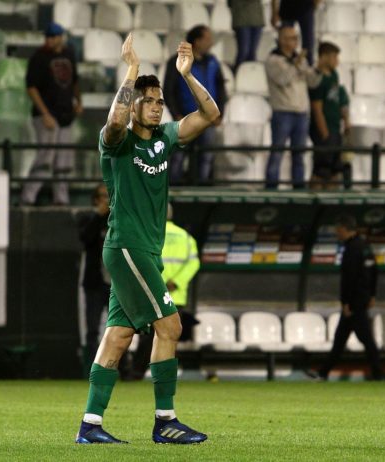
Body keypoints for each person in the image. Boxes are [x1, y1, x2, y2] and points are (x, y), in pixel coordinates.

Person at [76, 33, 220, 444]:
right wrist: (132, 70)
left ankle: (90, 425)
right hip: (127, 246)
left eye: (160, 101)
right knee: (170, 327)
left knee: (119, 335)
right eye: (149, 101)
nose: (157, 107)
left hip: (145, 252)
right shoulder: (116, 144)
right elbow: (114, 122)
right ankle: (165, 421)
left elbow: (210, 114)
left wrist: (186, 75)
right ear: (134, 104)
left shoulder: (165, 138)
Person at [127, 204, 201, 380]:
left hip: (151, 292)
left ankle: (136, 373)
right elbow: (194, 263)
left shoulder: (147, 234)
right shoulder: (186, 237)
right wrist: (176, 282)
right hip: (175, 296)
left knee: (148, 336)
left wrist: (157, 283)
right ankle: (164, 375)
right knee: (169, 336)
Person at [21, 22, 83, 206]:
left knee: (63, 161)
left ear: (60, 37)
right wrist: (45, 114)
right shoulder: (39, 57)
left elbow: (74, 81)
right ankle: (28, 197)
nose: (50, 40)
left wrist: (78, 101)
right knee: (45, 158)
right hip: (46, 115)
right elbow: (31, 88)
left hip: (65, 114)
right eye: (48, 36)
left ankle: (61, 199)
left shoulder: (68, 53)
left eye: (53, 36)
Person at [314, 215, 382, 381]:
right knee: (340, 340)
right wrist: (372, 294)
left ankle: (378, 374)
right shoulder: (365, 246)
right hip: (362, 298)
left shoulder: (352, 248)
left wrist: (346, 302)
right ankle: (323, 373)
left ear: (344, 229)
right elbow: (374, 271)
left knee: (365, 339)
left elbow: (349, 278)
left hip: (354, 302)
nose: (337, 234)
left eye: (338, 231)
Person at [163, 25, 226, 184]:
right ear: (197, 41)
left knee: (205, 156)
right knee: (178, 156)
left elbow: (221, 89)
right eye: (207, 39)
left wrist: (219, 113)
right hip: (185, 119)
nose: (211, 43)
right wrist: (176, 114)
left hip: (208, 119)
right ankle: (172, 189)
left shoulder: (213, 62)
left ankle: (201, 188)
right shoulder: (177, 62)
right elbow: (169, 90)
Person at [265, 25, 321, 189]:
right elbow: (283, 79)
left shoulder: (300, 60)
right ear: (282, 40)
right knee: (277, 153)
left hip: (301, 113)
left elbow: (313, 83)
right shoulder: (273, 60)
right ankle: (271, 189)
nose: (295, 42)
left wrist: (317, 70)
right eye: (291, 38)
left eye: (296, 38)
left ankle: (298, 188)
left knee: (299, 155)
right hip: (283, 112)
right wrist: (296, 64)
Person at [309, 42, 350, 190]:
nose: (337, 61)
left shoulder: (334, 75)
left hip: (335, 128)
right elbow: (317, 108)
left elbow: (338, 100)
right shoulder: (317, 79)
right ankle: (315, 198)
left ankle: (332, 199)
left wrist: (345, 120)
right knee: (321, 169)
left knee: (335, 168)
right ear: (324, 57)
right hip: (324, 131)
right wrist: (324, 132)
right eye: (334, 57)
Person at [78, 184, 111, 367]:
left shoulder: (118, 220)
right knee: (92, 328)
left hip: (116, 283)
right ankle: (92, 368)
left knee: (120, 328)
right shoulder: (88, 218)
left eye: (109, 196)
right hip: (95, 282)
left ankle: (120, 368)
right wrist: (98, 216)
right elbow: (85, 238)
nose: (106, 200)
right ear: (96, 199)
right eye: (103, 196)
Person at [271, 0, 322, 65]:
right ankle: (283, 65)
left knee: (308, 43)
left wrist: (315, 4)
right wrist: (274, 12)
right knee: (284, 41)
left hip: (306, 7)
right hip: (287, 8)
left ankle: (308, 65)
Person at [229, 0, 265, 68]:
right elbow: (230, 3)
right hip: (241, 18)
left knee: (252, 53)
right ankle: (238, 72)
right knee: (244, 51)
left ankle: (249, 73)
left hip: (257, 18)